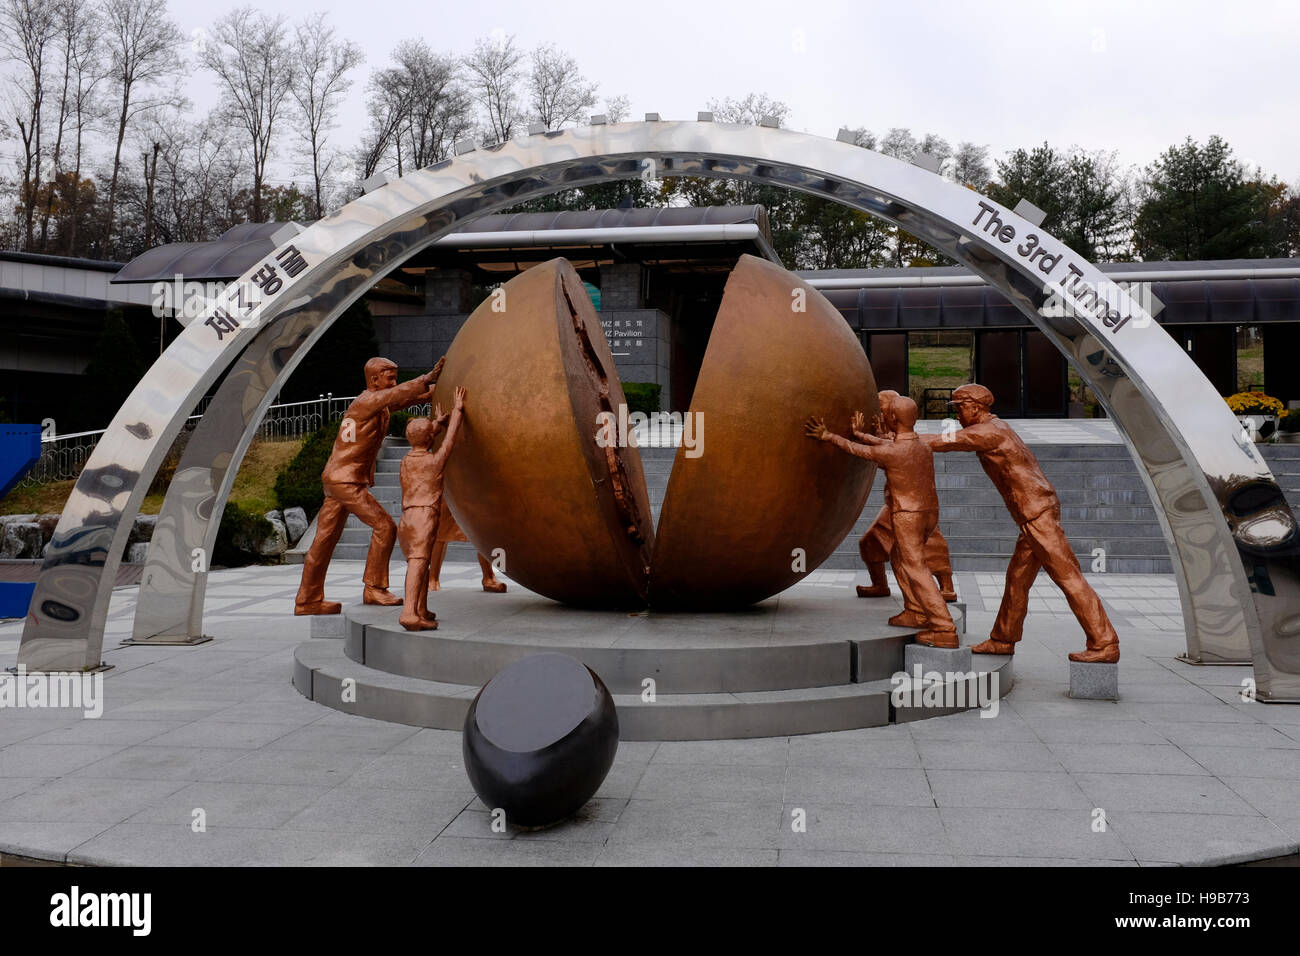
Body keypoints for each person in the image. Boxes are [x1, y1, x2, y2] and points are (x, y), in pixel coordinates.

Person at [928, 383, 1119, 663]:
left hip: (1036, 512)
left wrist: (897, 437)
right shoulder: (995, 426)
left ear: (973, 406)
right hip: (1035, 511)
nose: (957, 415)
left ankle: (1105, 642)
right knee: (1017, 579)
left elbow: (939, 442)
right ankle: (1003, 639)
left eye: (958, 408)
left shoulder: (988, 432)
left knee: (1068, 577)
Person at [294, 356, 443, 615]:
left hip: (338, 478)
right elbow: (396, 395)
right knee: (385, 527)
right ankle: (374, 588)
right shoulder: (367, 401)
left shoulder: (377, 405)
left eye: (396, 378)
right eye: (390, 378)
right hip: (346, 480)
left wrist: (436, 390)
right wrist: (425, 378)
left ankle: (307, 600)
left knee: (323, 541)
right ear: (374, 380)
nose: (394, 382)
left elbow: (405, 399)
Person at [806, 396, 957, 648]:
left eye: (887, 414)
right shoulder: (922, 444)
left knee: (916, 568)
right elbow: (884, 444)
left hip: (908, 514)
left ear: (893, 419)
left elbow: (861, 451)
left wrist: (827, 436)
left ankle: (944, 628)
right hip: (929, 512)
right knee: (898, 556)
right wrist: (860, 433)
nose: (885, 416)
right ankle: (915, 611)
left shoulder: (892, 451)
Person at [852, 390, 957, 603]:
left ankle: (946, 588)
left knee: (928, 547)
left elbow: (884, 455)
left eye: (882, 408)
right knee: (870, 543)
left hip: (912, 508)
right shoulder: (892, 435)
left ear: (894, 413)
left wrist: (830, 436)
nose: (879, 412)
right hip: (895, 505)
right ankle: (880, 585)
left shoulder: (906, 441)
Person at [397, 389, 467, 631]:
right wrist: (457, 411)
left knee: (420, 563)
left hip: (406, 518)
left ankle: (421, 609)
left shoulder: (406, 460)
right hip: (424, 517)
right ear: (429, 439)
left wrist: (435, 424)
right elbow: (449, 442)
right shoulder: (434, 463)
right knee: (418, 564)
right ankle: (409, 613)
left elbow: (423, 438)